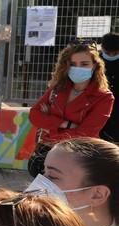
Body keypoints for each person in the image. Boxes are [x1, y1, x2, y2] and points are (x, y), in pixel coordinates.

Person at [29, 42, 114, 175]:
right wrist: (66, 124)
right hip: (44, 155)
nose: (77, 68)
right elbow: (34, 115)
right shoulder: (58, 88)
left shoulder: (104, 97)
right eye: (73, 64)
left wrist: (50, 125)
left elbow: (86, 133)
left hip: (75, 158)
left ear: (95, 66)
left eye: (84, 64)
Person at [100, 32, 119, 142]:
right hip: (99, 104)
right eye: (107, 53)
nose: (111, 56)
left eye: (115, 53)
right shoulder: (95, 60)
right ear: (102, 48)